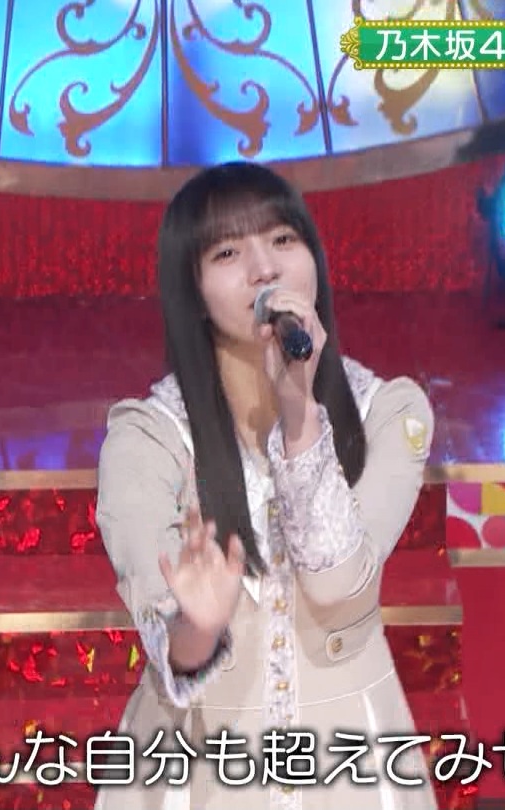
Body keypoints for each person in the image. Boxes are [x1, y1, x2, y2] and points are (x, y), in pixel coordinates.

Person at [92, 161, 438, 810]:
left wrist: (300, 419)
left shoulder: (389, 412)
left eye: (282, 239)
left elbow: (339, 584)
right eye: (227, 252)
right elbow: (166, 635)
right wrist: (197, 627)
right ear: (192, 289)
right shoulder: (148, 437)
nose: (264, 269)